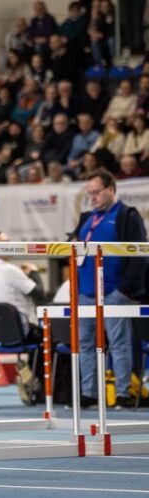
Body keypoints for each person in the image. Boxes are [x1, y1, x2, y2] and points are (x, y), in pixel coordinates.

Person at [71, 169, 147, 409]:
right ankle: (89, 393)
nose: (92, 197)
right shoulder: (86, 218)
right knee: (84, 344)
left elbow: (140, 255)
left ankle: (123, 394)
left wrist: (124, 291)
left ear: (111, 190)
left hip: (114, 293)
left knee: (119, 343)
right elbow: (73, 253)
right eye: (90, 193)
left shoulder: (127, 215)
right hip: (84, 293)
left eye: (97, 192)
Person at [0, 231, 46, 404]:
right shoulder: (10, 270)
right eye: (2, 242)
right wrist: (33, 272)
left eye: (9, 241)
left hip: (0, 336)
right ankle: (45, 390)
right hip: (22, 333)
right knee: (53, 341)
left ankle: (35, 382)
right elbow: (39, 294)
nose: (8, 245)